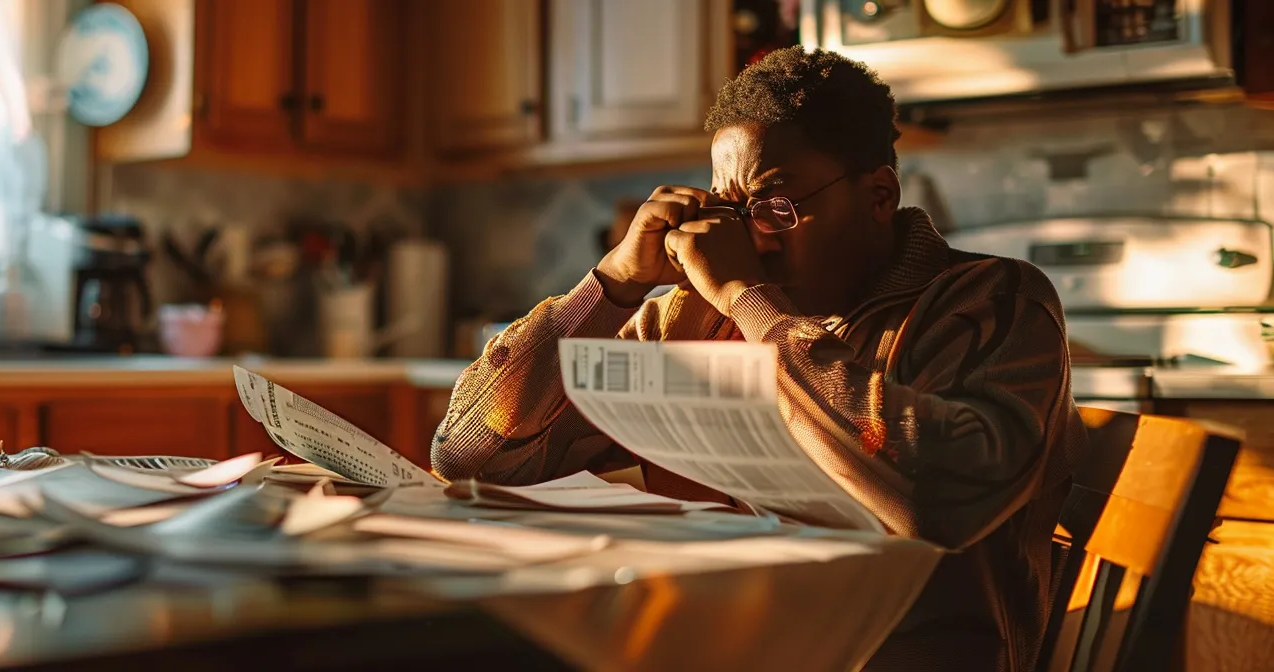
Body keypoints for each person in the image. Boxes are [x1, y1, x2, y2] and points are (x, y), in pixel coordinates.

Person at [431, 46, 1084, 671]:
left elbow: (938, 499)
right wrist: (615, 283)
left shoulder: (991, 301)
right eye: (729, 207)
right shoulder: (690, 317)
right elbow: (471, 455)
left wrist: (752, 300)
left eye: (777, 205)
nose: (749, 236)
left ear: (879, 196)